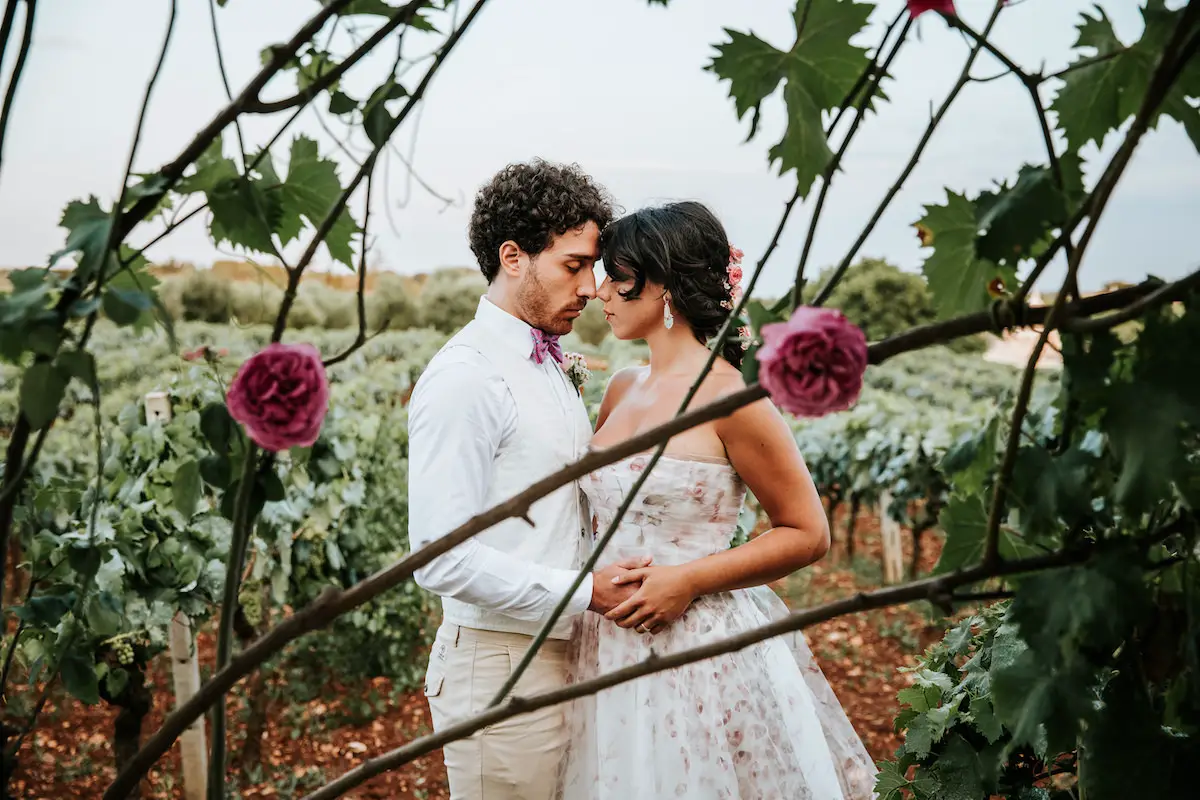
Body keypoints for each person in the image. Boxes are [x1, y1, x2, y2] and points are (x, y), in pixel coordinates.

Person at [557, 201, 878, 799]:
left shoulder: (733, 400)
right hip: (606, 640)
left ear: (665, 286)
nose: (599, 291)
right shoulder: (623, 386)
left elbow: (808, 532)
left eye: (617, 276)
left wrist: (687, 581)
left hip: (695, 647)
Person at [407, 159, 650, 800]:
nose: (591, 286)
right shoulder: (467, 377)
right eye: (574, 265)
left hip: (565, 651)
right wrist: (585, 592)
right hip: (501, 664)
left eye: (593, 266)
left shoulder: (546, 363)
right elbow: (437, 559)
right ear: (512, 257)